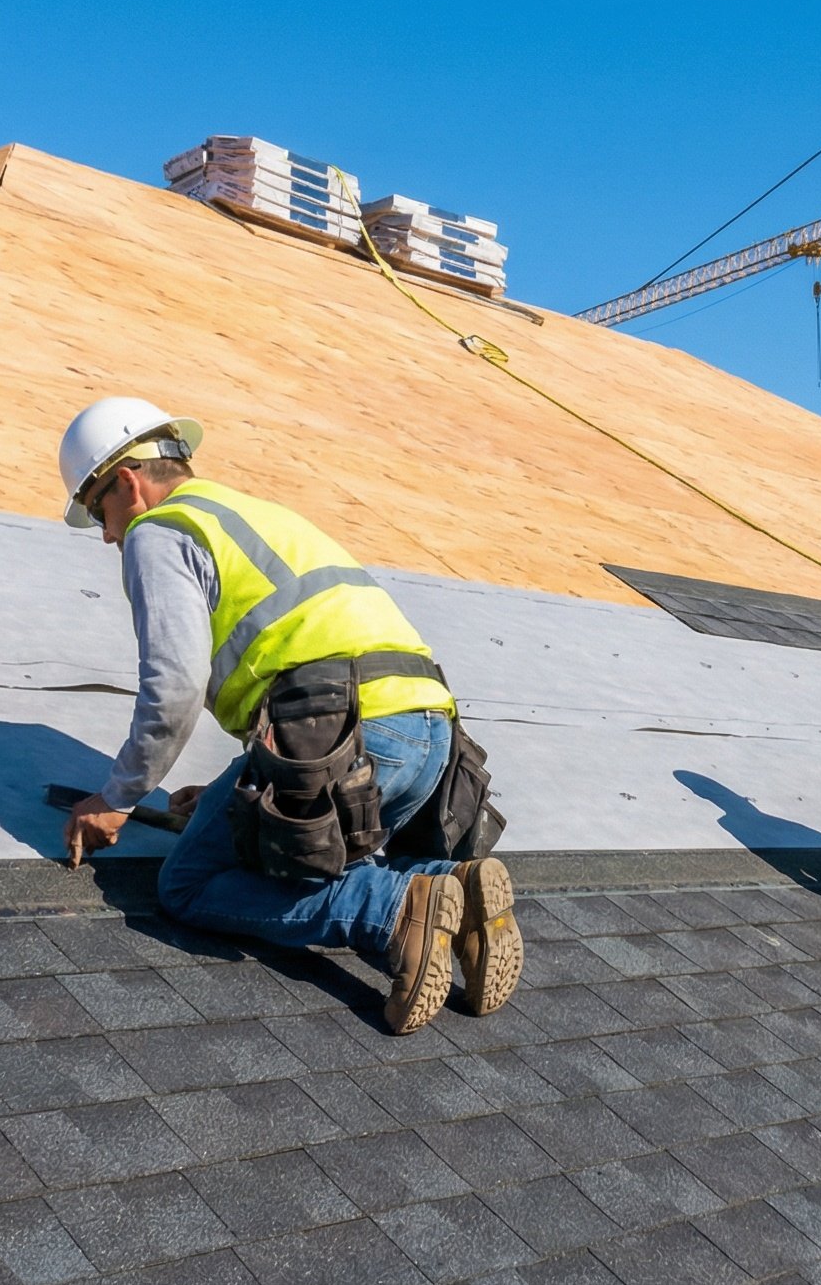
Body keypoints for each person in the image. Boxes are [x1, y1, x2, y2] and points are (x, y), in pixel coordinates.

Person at [53, 397, 520, 1035]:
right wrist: (228, 795)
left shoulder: (160, 531)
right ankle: (454, 885)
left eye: (97, 509)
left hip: (347, 738)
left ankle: (397, 906)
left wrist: (119, 796)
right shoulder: (257, 512)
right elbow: (301, 653)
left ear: (128, 483)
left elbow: (174, 684)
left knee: (190, 882)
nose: (106, 533)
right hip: (431, 737)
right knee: (329, 859)